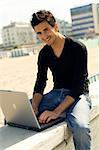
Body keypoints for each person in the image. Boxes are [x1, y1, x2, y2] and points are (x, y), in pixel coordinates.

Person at [30, 10, 92, 150]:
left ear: (55, 26)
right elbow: (40, 82)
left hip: (79, 96)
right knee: (21, 115)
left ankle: (65, 112)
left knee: (80, 128)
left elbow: (78, 87)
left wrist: (56, 112)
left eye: (46, 30)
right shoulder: (44, 53)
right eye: (39, 33)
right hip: (56, 94)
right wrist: (34, 106)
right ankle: (63, 111)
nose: (44, 36)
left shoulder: (78, 48)